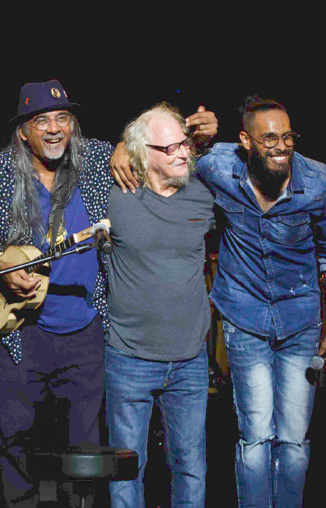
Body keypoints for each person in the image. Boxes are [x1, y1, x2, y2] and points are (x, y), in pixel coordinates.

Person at [0, 80, 217, 507]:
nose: (54, 128)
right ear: (23, 130)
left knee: (89, 450)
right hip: (22, 333)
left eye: (62, 118)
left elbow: (146, 150)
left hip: (88, 330)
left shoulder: (95, 159)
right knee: (15, 440)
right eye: (42, 120)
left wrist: (118, 145)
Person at [111, 96, 326, 507]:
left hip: (299, 318)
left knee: (293, 441)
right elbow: (161, 148)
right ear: (245, 140)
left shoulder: (320, 182)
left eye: (287, 136)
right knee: (255, 438)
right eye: (269, 137)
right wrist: (122, 145)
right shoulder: (217, 167)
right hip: (243, 319)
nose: (281, 146)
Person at [105, 103, 215, 508]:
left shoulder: (203, 196)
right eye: (170, 148)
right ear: (143, 153)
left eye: (185, 144)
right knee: (125, 471)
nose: (184, 153)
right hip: (129, 358)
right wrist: (119, 144)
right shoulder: (115, 195)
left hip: (189, 359)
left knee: (190, 467)